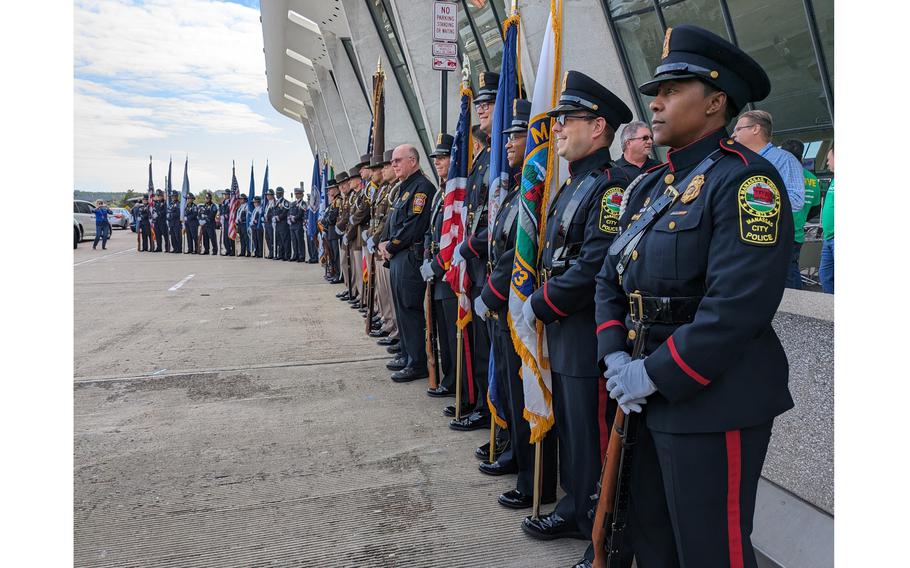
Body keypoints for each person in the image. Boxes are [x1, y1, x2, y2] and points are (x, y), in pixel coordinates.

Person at [592, 25, 794, 568]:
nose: (654, 104)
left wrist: (653, 372)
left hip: (711, 399)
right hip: (643, 391)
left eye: (671, 91)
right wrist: (614, 355)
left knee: (710, 551)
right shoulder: (652, 186)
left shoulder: (749, 182)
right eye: (655, 92)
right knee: (652, 541)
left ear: (715, 101)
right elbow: (611, 277)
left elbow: (737, 308)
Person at [517, 71, 633, 551]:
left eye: (568, 119)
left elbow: (592, 267)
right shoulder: (574, 185)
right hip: (564, 330)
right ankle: (575, 507)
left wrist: (539, 304)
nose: (558, 128)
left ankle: (599, 528)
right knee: (573, 431)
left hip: (586, 332)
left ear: (599, 126)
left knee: (593, 434)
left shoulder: (609, 188)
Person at [474, 99, 559, 507]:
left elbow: (521, 252)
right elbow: (498, 243)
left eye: (518, 135)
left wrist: (491, 291)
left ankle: (534, 482)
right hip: (503, 305)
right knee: (508, 389)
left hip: (517, 303)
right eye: (506, 136)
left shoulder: (537, 189)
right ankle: (514, 457)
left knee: (527, 394)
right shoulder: (511, 190)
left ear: (536, 137)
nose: (508, 143)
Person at [449, 71, 498, 431]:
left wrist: (471, 245)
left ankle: (497, 417)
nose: (480, 108)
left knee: (496, 352)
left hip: (494, 264)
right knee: (481, 347)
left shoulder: (507, 155)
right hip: (477, 265)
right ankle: (482, 405)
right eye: (478, 103)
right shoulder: (482, 158)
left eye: (488, 102)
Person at [378, 144, 436, 382]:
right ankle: (406, 352)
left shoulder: (422, 187)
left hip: (409, 256)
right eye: (393, 162)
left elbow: (414, 225)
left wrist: (391, 245)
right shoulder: (404, 188)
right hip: (398, 256)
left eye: (398, 160)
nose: (394, 165)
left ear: (413, 161)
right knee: (401, 308)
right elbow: (392, 218)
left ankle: (417, 363)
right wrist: (383, 241)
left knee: (410, 309)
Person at [421, 133, 459, 400]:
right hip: (435, 268)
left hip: (448, 272)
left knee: (451, 334)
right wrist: (427, 257)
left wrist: (436, 264)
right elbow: (430, 230)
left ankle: (454, 383)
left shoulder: (455, 193)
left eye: (444, 157)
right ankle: (448, 379)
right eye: (436, 158)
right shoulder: (440, 193)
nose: (439, 162)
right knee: (440, 331)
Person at [732, 109, 805, 213]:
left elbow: (797, 200)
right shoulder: (736, 160)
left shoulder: (785, 160)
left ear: (755, 129)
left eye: (738, 129)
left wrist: (750, 197)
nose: (733, 135)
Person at [780, 139, 821, 289]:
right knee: (792, 268)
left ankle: (791, 305)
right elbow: (816, 208)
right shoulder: (812, 179)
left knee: (785, 272)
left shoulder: (782, 175)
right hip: (797, 233)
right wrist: (801, 217)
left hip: (780, 233)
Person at [819, 144, 834, 293]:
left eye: (829, 159)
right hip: (828, 238)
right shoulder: (834, 180)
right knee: (825, 277)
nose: (827, 163)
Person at [289, 187, 306, 261]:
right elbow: (289, 212)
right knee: (294, 241)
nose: (297, 195)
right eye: (296, 194)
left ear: (302, 195)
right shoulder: (293, 203)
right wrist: (289, 218)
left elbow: (301, 213)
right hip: (292, 225)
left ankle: (301, 256)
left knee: (300, 241)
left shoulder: (303, 203)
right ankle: (295, 255)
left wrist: (294, 218)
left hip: (298, 224)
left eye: (298, 194)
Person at [199, 191, 219, 255]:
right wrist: (201, 220)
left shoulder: (213, 206)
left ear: (210, 199)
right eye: (206, 198)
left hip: (210, 224)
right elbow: (201, 213)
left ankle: (215, 250)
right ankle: (206, 250)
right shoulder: (204, 206)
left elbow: (212, 215)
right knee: (205, 238)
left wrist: (205, 219)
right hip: (204, 225)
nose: (206, 199)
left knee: (212, 238)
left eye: (208, 198)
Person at [219, 190, 235, 256]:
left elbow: (232, 211)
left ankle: (232, 251)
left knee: (230, 236)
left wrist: (227, 215)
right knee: (225, 237)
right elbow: (221, 210)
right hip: (224, 221)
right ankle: (227, 250)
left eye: (226, 194)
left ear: (229, 195)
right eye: (224, 194)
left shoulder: (231, 202)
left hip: (229, 221)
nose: (225, 196)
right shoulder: (223, 202)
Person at [263, 188, 276, 259]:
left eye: (268, 195)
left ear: (272, 195)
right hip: (266, 223)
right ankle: (270, 251)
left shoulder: (274, 202)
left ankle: (273, 252)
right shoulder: (267, 203)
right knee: (267, 238)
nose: (267, 196)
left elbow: (274, 212)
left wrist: (268, 217)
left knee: (272, 238)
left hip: (271, 223)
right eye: (267, 195)